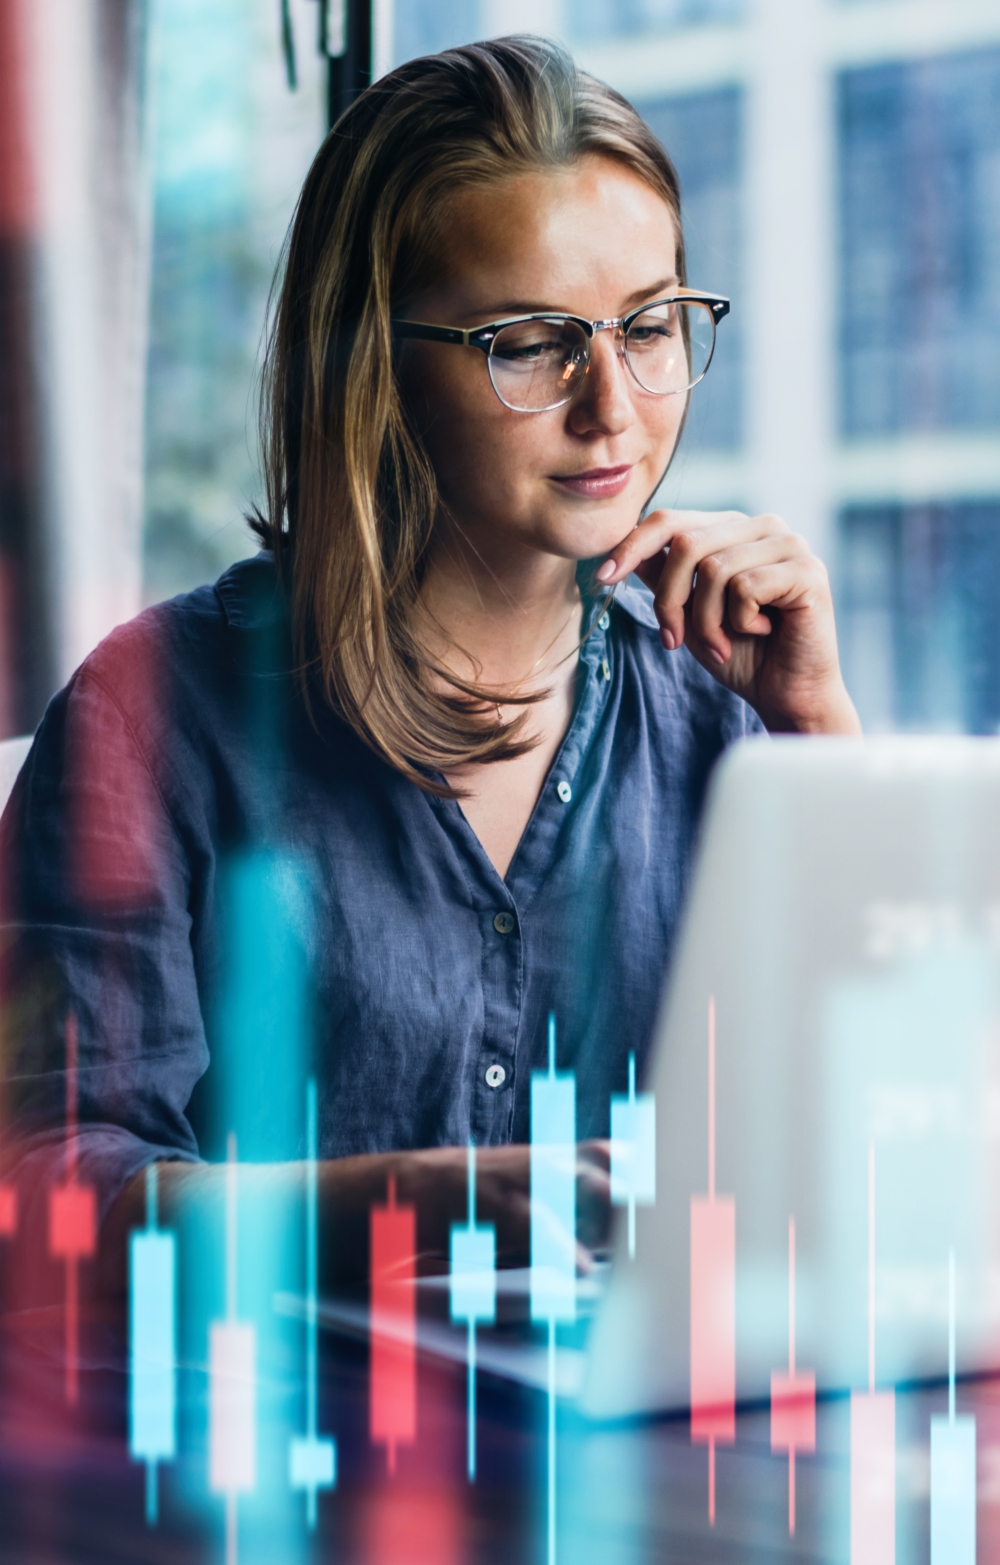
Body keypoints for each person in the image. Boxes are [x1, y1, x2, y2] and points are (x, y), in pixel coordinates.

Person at [0, 37, 859, 1292]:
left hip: (641, 1408)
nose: (612, 406)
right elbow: (42, 1197)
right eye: (530, 342)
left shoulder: (723, 713)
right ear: (371, 361)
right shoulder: (155, 718)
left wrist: (822, 735)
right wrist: (397, 1206)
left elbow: (890, 1141)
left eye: (649, 326)